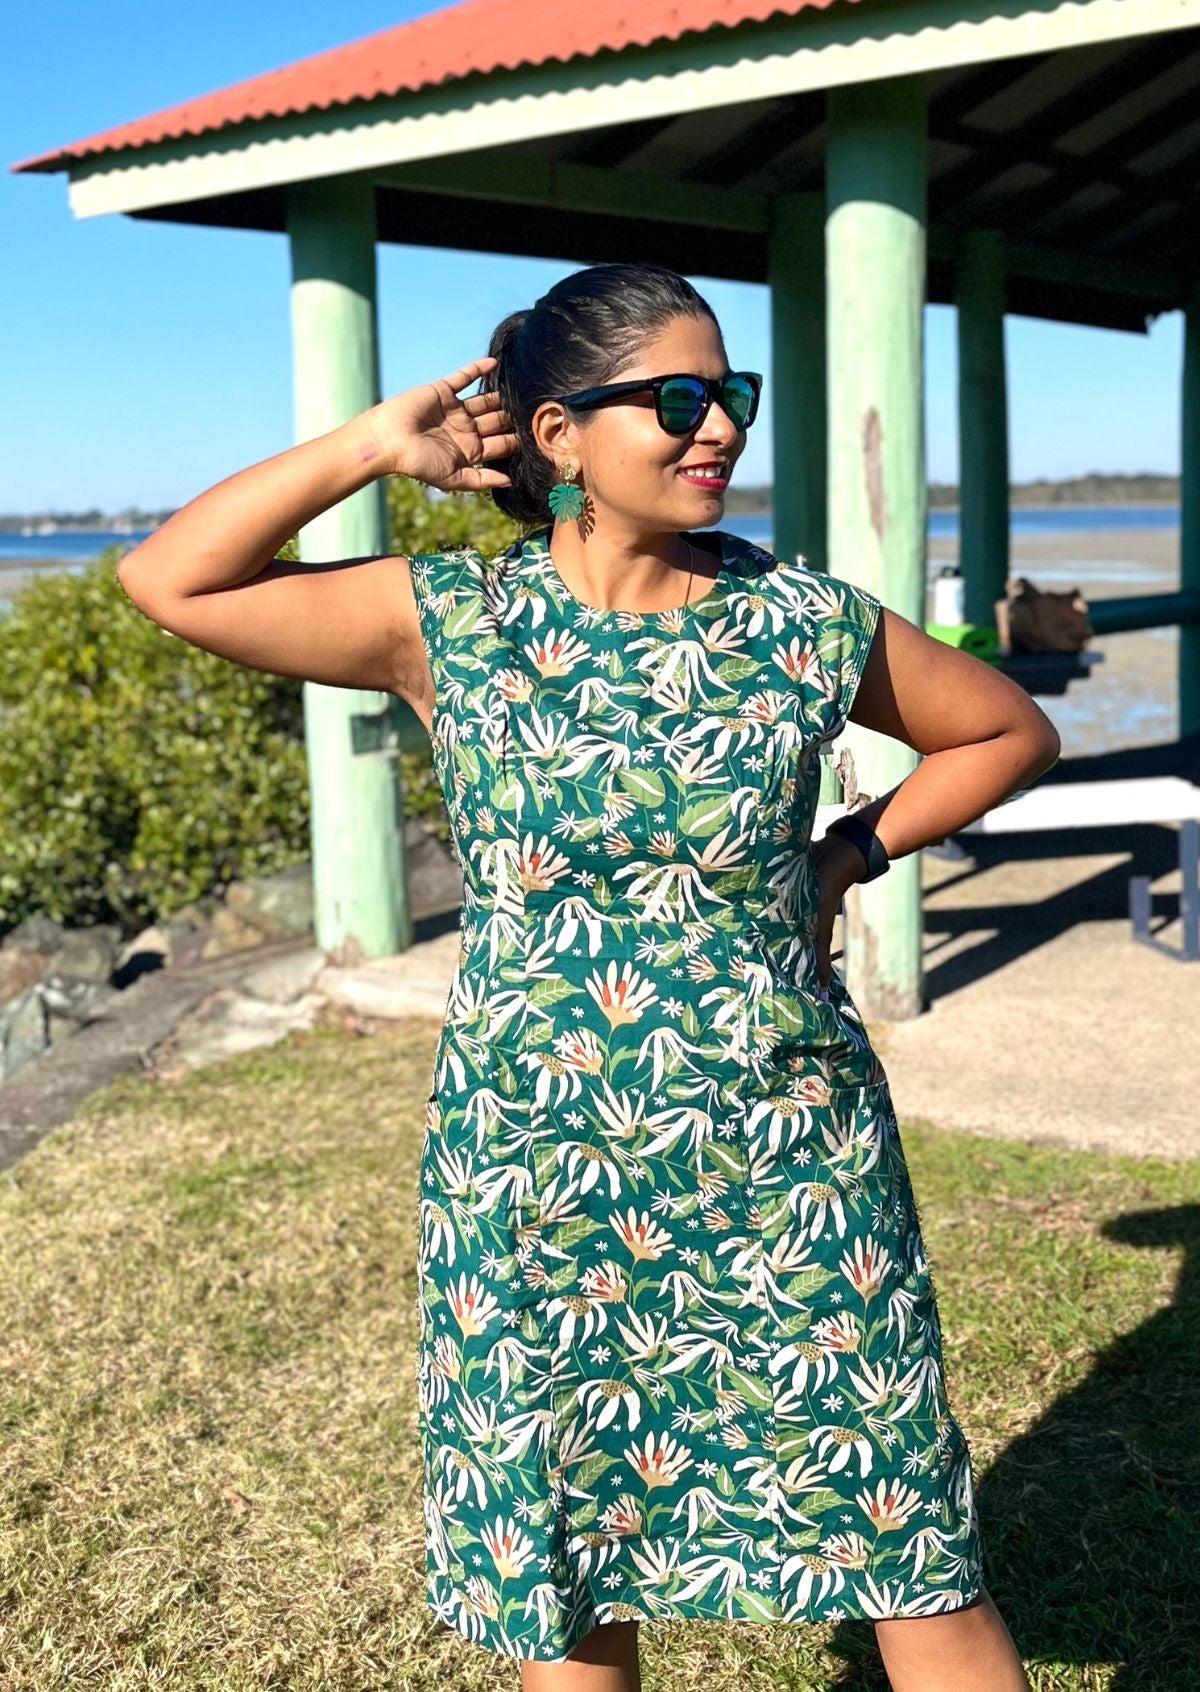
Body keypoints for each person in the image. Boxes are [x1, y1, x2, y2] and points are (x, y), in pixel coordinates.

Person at [117, 262, 1052, 1692]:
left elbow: (1003, 732)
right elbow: (168, 577)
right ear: (559, 437)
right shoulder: (451, 623)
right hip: (538, 1166)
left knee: (908, 1544)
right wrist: (376, 442)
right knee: (572, 1562)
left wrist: (845, 855)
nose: (720, 429)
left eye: (730, 397)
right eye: (677, 400)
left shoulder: (798, 620)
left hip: (786, 1149)